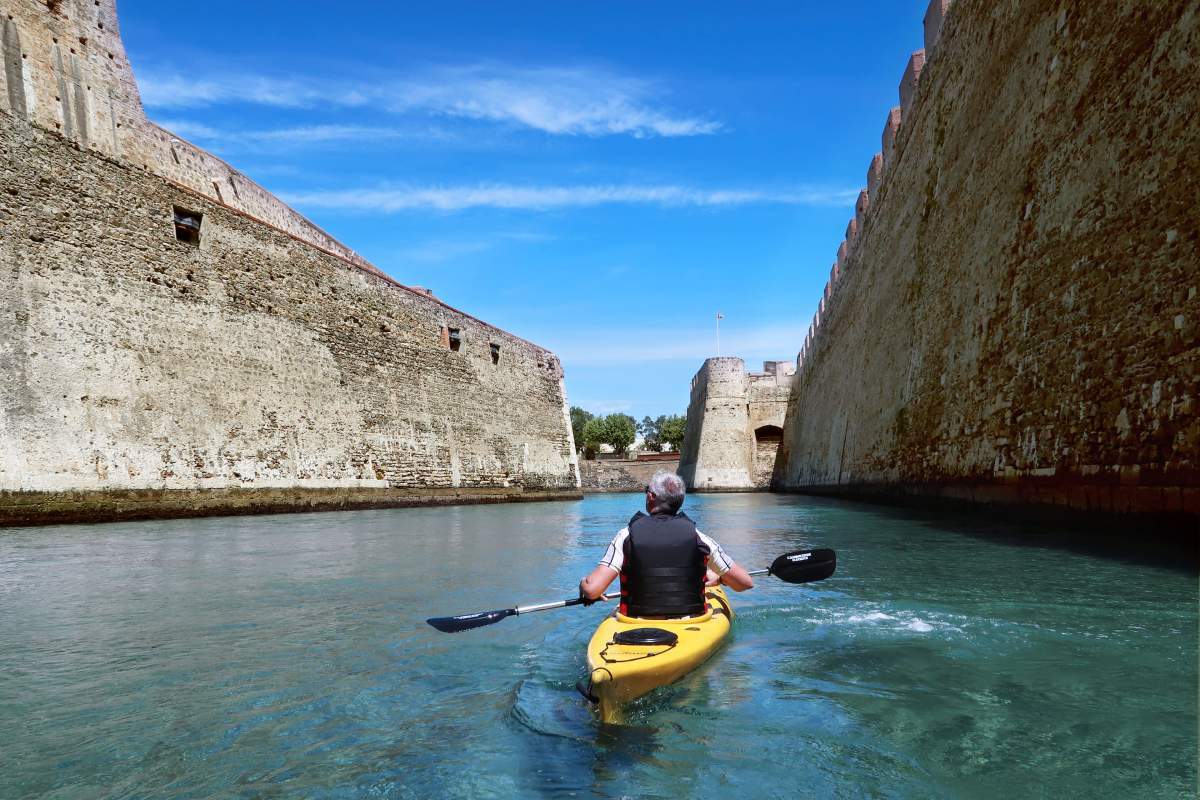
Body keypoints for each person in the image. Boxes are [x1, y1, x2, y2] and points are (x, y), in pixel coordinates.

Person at [578, 471, 753, 618]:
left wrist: (583, 585)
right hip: (690, 623)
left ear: (650, 496)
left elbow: (592, 590)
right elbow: (744, 583)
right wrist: (721, 578)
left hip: (635, 623)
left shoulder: (626, 535)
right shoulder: (699, 537)